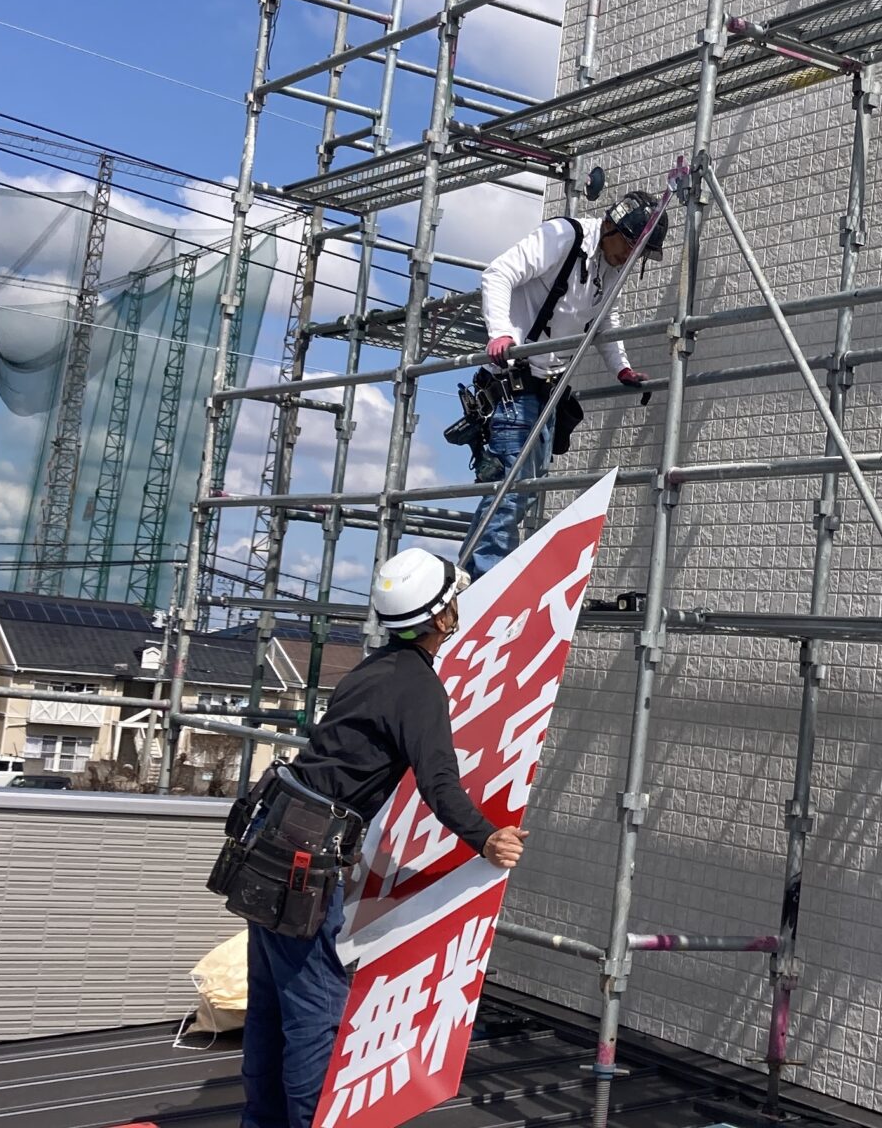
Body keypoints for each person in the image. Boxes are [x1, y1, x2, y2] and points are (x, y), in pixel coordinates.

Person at [241, 547, 527, 1128]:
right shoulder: (417, 686)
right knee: (314, 1010)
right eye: (455, 600)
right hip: (308, 855)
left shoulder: (371, 669)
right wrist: (486, 838)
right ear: (441, 617)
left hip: (272, 833)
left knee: (271, 1003)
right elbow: (439, 784)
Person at [469, 190, 667, 573]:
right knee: (510, 494)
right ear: (611, 226)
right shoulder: (563, 237)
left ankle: (476, 580)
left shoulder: (610, 268)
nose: (630, 257)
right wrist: (501, 333)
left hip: (547, 390)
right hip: (513, 385)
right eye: (630, 247)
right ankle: (480, 583)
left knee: (522, 493)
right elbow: (498, 273)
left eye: (639, 253)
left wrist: (622, 369)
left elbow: (605, 320)